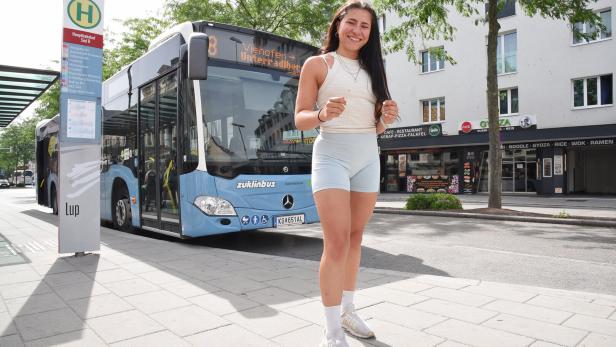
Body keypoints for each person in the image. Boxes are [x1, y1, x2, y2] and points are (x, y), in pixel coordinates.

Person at [294, 1, 398, 346]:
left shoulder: (375, 69)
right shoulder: (318, 64)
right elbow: (300, 119)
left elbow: (374, 127)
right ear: (338, 24)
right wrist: (322, 114)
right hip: (332, 155)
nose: (357, 30)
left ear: (371, 33)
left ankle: (349, 310)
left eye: (365, 26)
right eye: (351, 22)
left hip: (368, 155)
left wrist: (385, 119)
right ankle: (332, 330)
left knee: (355, 238)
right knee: (336, 241)